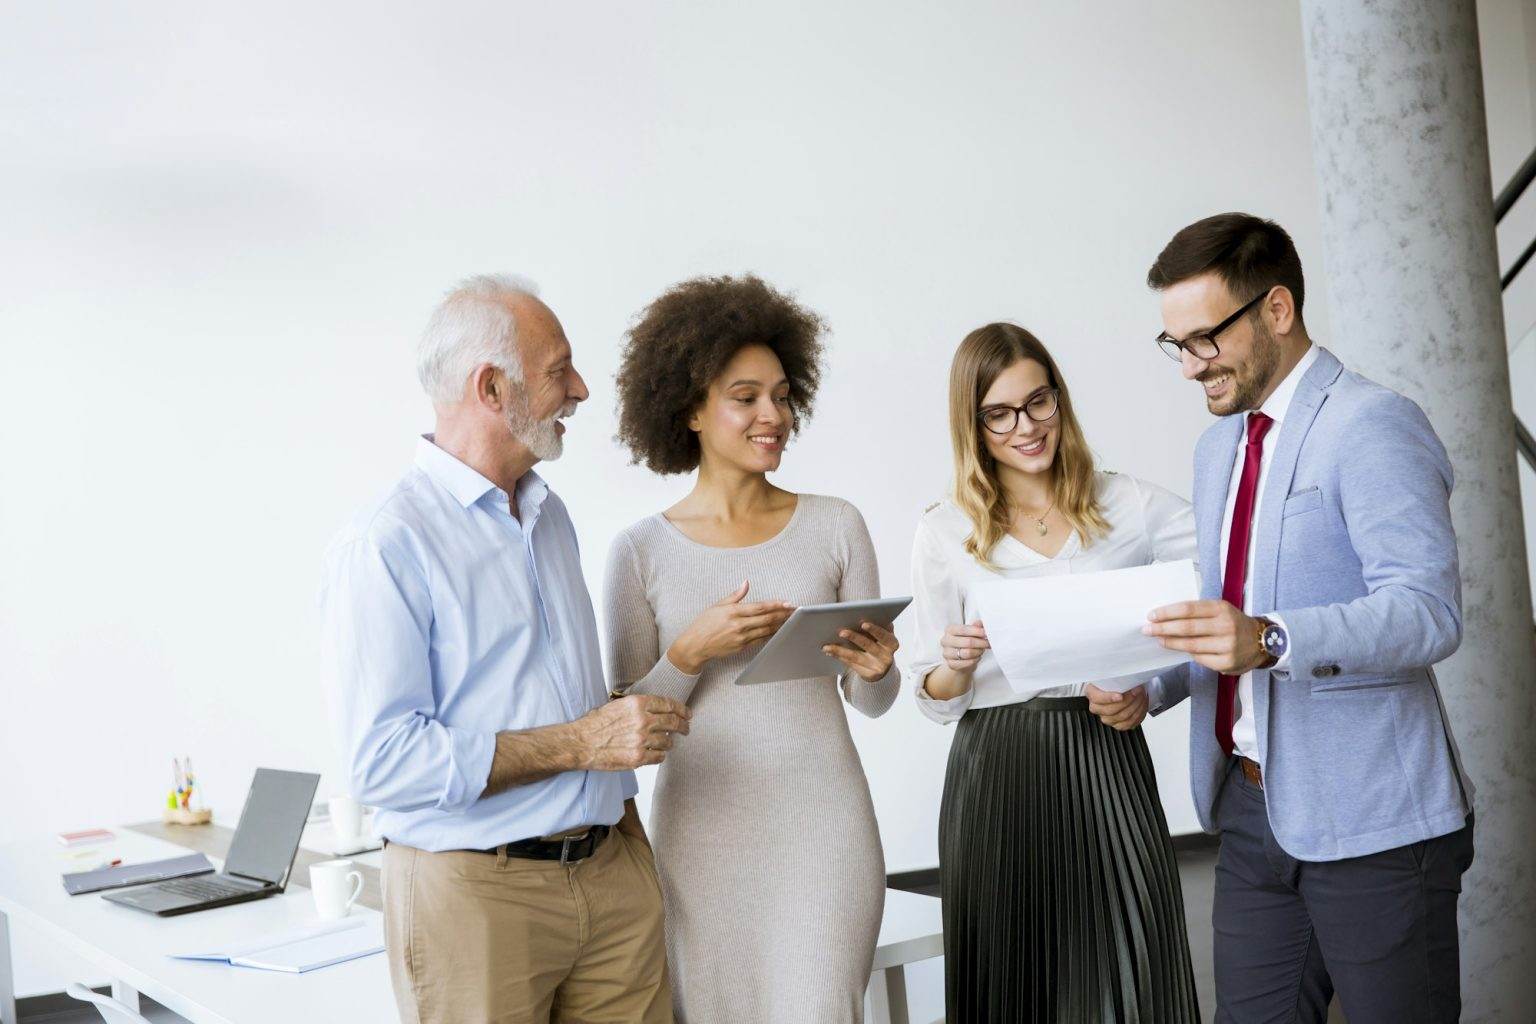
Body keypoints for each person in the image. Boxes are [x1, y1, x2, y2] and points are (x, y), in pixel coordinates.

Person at [320, 274, 688, 1024]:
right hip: (477, 897)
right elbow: (382, 759)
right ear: (491, 387)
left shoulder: (551, 518)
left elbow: (559, 702)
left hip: (611, 874)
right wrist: (583, 742)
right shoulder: (387, 542)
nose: (581, 388)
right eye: (560, 369)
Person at [1137, 213, 1474, 1023]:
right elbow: (1228, 622)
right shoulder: (1218, 450)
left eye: (1204, 339)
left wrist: (1272, 639)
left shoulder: (1372, 424)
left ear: (1277, 311)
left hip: (1376, 825)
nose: (1189, 367)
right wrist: (1148, 689)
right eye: (1174, 344)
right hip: (1253, 813)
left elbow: (1428, 612)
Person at [602, 274, 900, 1023]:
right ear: (691, 408)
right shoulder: (639, 553)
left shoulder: (836, 525)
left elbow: (871, 702)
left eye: (782, 394)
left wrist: (877, 669)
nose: (774, 416)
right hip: (703, 841)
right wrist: (692, 651)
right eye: (746, 397)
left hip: (825, 832)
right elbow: (626, 733)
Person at [909, 322, 1201, 1022]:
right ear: (973, 425)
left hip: (1106, 758)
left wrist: (1151, 689)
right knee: (1015, 989)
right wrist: (952, 666)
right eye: (999, 413)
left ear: (1059, 400)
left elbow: (1224, 602)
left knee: (1134, 978)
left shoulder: (1131, 505)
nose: (1025, 426)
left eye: (1038, 402)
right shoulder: (944, 531)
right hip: (996, 770)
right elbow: (930, 691)